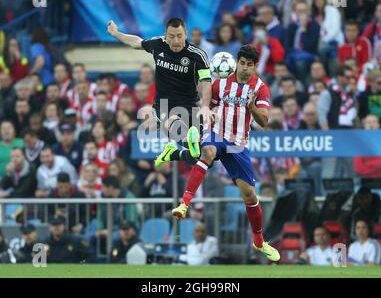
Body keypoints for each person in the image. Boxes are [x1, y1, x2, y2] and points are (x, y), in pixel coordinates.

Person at [172, 45, 280, 262]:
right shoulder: (220, 83)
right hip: (216, 133)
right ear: (236, 62)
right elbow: (206, 105)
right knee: (208, 151)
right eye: (242, 63)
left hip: (238, 144)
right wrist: (207, 113)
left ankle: (259, 241)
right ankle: (184, 203)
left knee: (249, 195)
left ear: (254, 66)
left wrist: (253, 108)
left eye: (250, 65)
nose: (245, 68)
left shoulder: (260, 87)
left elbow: (265, 120)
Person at [107, 17, 213, 167]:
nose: (176, 41)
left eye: (179, 36)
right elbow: (137, 42)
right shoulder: (158, 44)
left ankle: (173, 153)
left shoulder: (197, 55)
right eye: (171, 36)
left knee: (205, 156)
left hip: (190, 107)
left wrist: (205, 106)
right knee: (171, 122)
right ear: (165, 35)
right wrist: (116, 34)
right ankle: (187, 141)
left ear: (186, 35)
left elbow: (206, 82)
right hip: (164, 105)